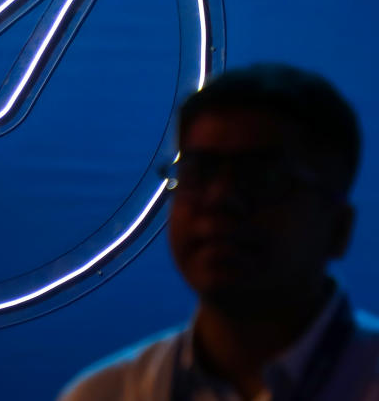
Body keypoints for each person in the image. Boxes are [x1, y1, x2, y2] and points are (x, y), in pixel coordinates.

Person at [59, 63, 379, 401]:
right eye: (198, 173)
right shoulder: (106, 393)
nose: (219, 200)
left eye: (261, 179)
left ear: (339, 227)